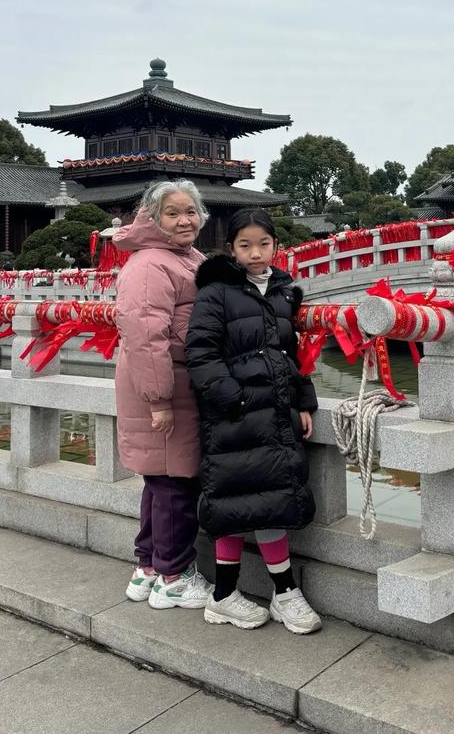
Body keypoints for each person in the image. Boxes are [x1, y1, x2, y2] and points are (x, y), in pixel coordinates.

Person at [185, 208, 322, 633]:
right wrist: (235, 399)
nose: (256, 253)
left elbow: (290, 354)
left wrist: (303, 401)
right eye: (245, 245)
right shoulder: (216, 293)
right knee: (232, 502)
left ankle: (283, 593)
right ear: (231, 249)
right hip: (234, 414)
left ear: (277, 246)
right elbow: (200, 353)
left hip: (276, 412)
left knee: (271, 500)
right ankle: (224, 595)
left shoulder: (283, 292)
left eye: (264, 243)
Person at [113, 180, 212, 609]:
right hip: (163, 386)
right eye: (172, 213)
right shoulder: (153, 264)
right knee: (174, 484)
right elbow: (146, 335)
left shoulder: (183, 257)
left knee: (159, 482)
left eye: (190, 211)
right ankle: (174, 575)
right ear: (153, 219)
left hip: (173, 384)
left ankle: (149, 567)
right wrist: (159, 401)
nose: (184, 220)